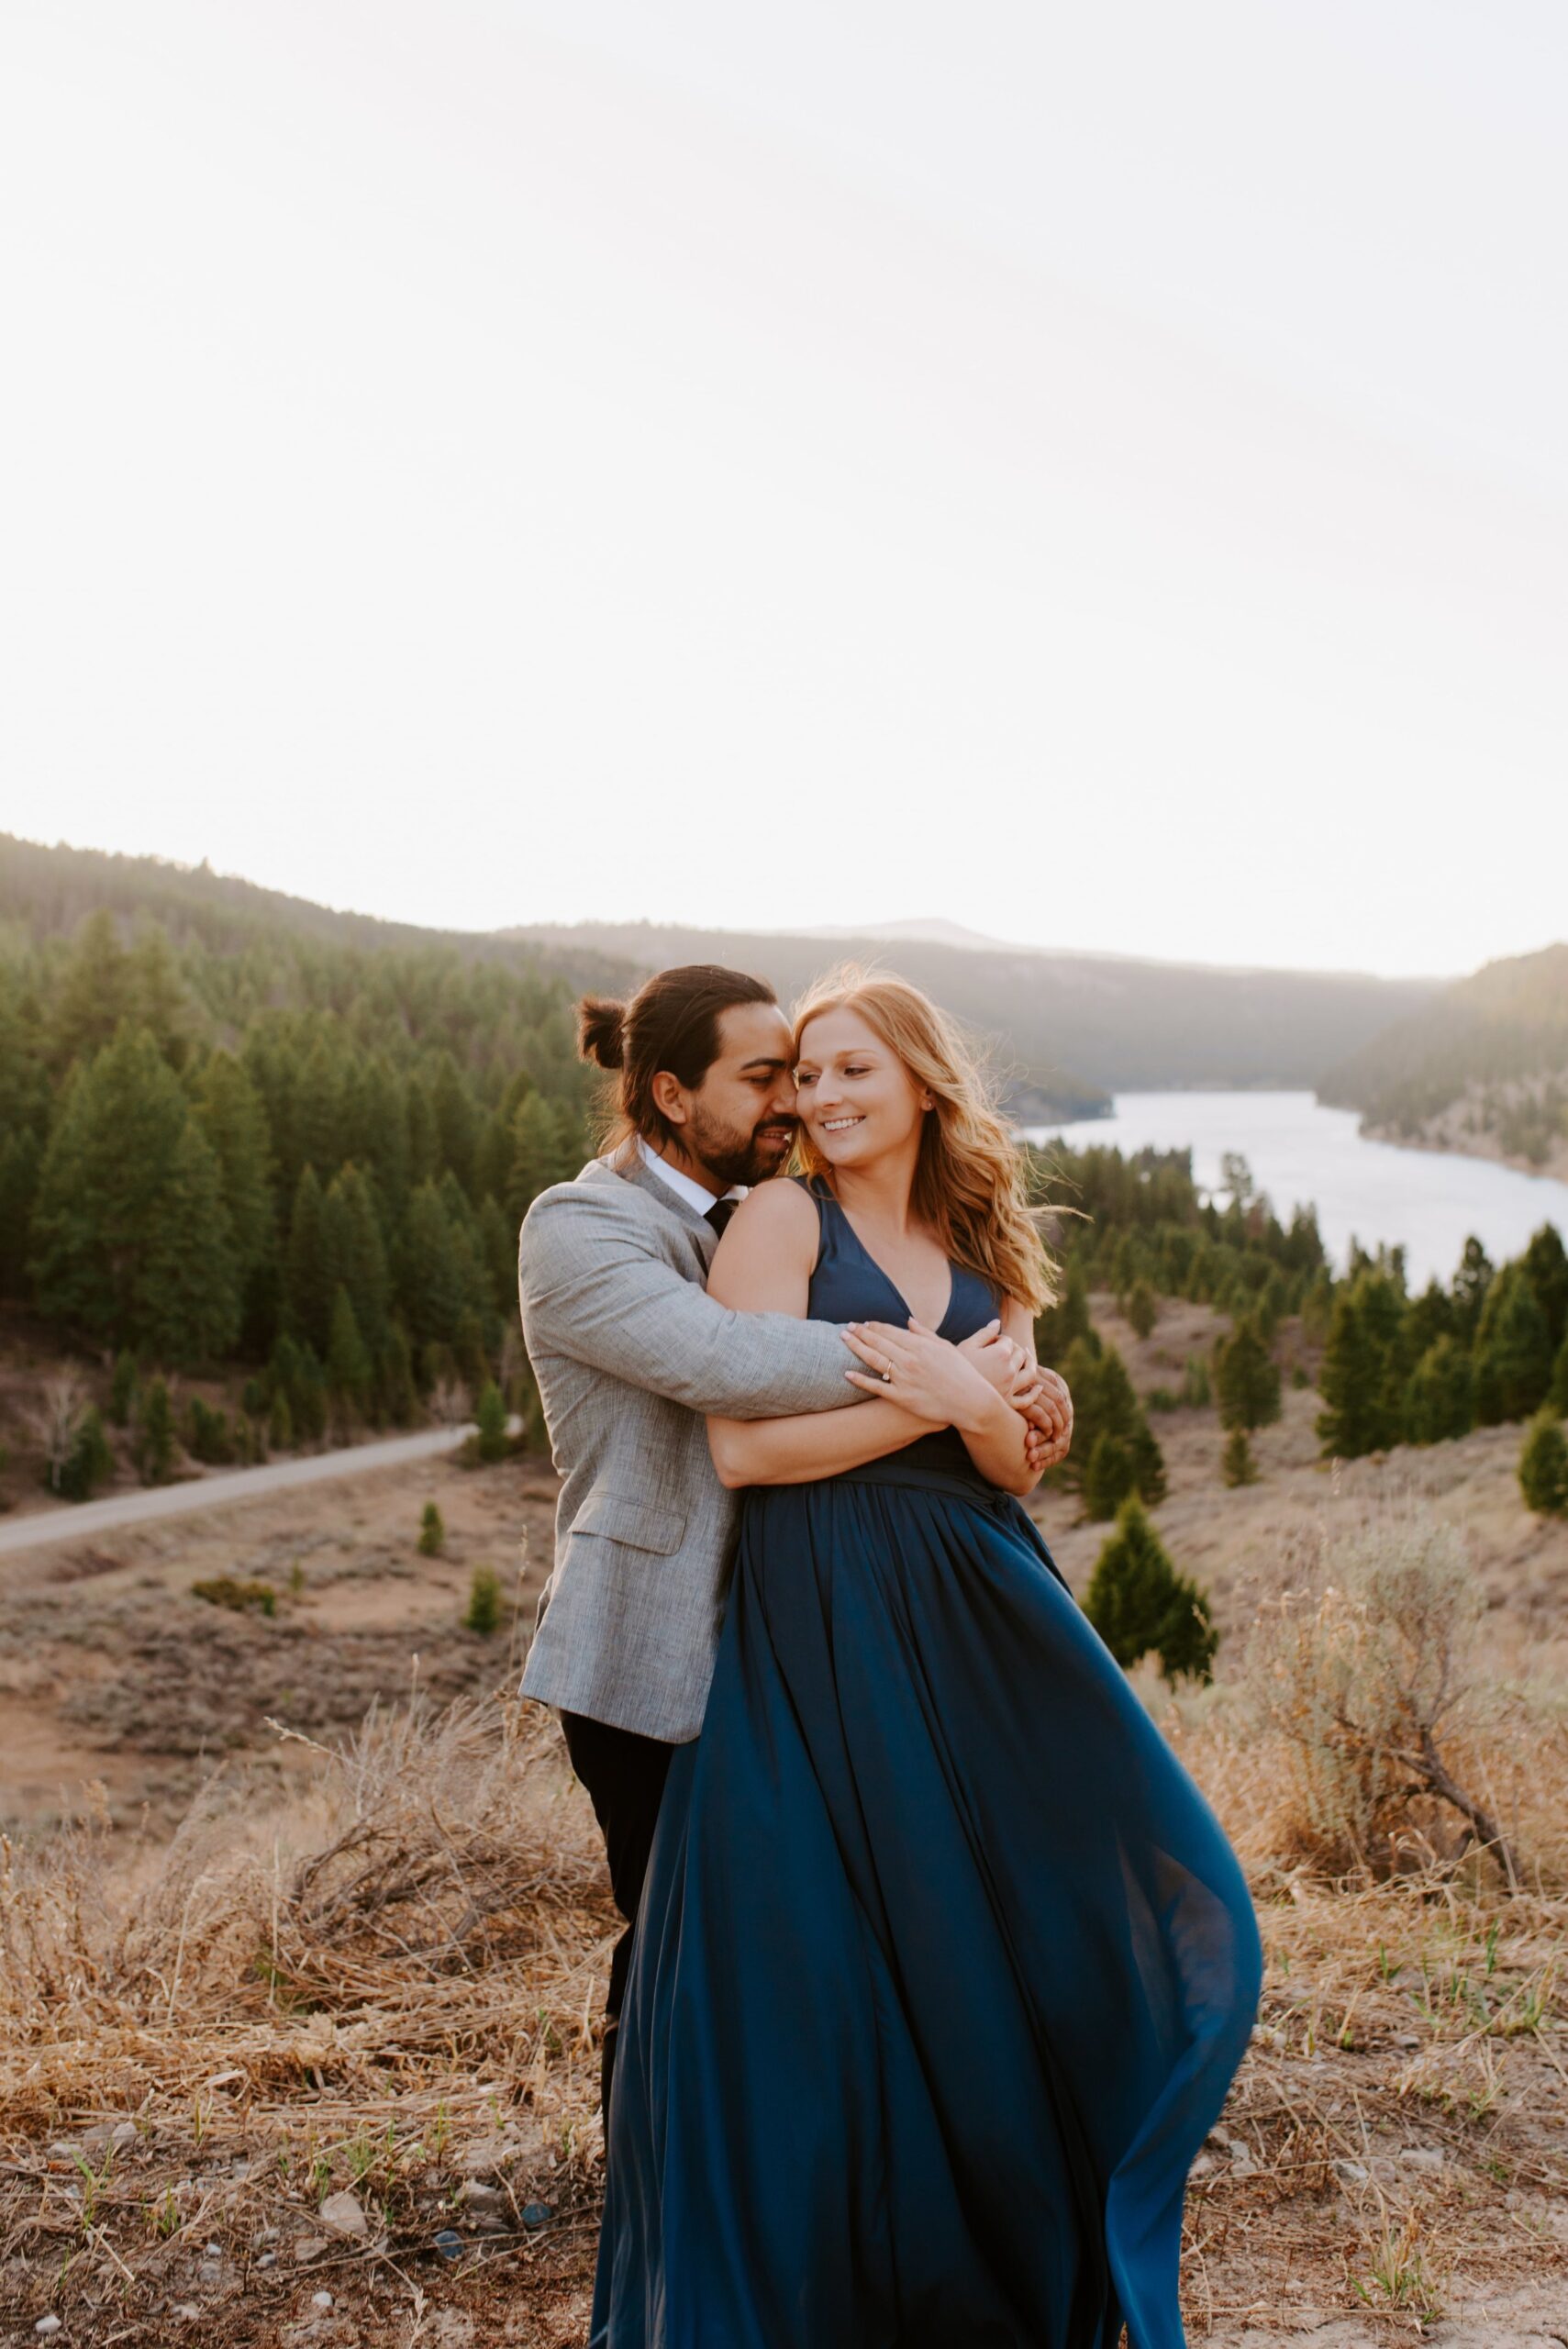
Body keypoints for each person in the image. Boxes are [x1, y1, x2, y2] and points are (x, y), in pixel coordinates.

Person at [592, 969, 1262, 2349]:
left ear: (919, 1085)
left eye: (850, 1072)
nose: (819, 1099)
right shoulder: (779, 1221)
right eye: (802, 1076)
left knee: (1071, 1901)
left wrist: (984, 1404)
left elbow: (1016, 1462)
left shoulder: (974, 1241)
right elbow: (745, 1447)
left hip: (981, 1609)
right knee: (822, 1960)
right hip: (817, 1616)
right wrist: (942, 1400)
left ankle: (1017, 2248)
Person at [517, 963, 1071, 2114]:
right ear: (671, 1093)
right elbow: (728, 1367)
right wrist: (954, 1379)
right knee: (681, 1931)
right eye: (768, 1077)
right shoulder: (581, 1227)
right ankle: (658, 2194)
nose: (797, 1103)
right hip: (655, 1637)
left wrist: (1007, 1390)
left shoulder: (793, 1210)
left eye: (812, 1073)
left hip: (809, 1620)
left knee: (826, 1929)